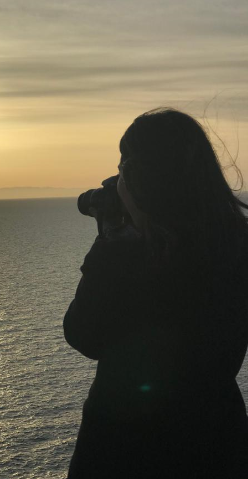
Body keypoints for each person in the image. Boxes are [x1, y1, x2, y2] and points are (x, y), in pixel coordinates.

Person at [64, 108, 248, 478]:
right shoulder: (235, 243)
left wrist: (112, 238)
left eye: (122, 170)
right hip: (218, 442)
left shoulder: (132, 254)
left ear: (138, 178)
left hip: (125, 449)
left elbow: (83, 334)